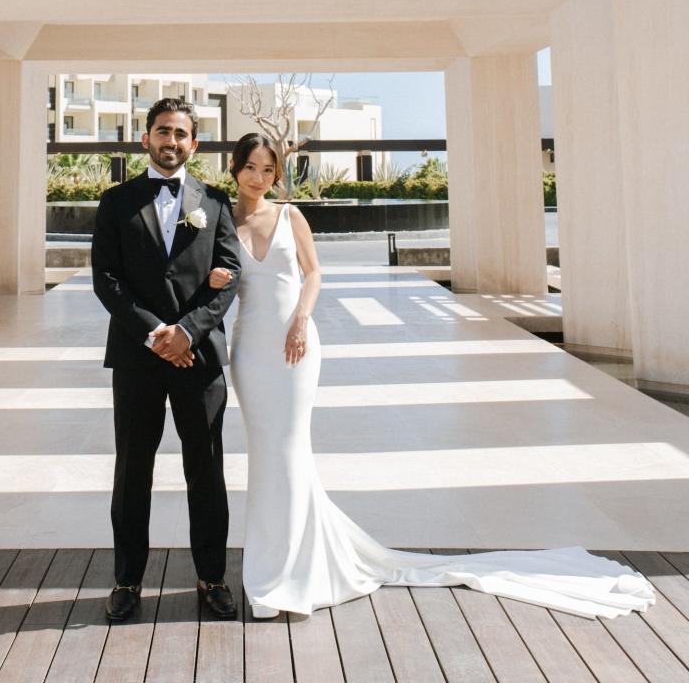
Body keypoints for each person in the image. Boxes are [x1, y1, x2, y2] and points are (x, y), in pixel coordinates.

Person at [208, 132, 655, 620]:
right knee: (266, 455)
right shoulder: (220, 221)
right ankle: (275, 568)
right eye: (251, 167)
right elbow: (209, 278)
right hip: (250, 349)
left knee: (292, 451)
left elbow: (314, 274)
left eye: (268, 170)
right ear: (235, 169)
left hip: (296, 347)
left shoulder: (291, 216)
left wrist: (301, 318)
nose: (259, 177)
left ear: (277, 174)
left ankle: (290, 577)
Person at [91, 98, 242, 622]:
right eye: (162, 131)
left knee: (206, 471)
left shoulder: (217, 203)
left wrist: (187, 333)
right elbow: (105, 280)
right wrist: (156, 332)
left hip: (199, 363)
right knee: (133, 471)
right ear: (145, 139)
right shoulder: (115, 203)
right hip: (137, 358)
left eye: (180, 133)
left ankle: (212, 577)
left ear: (193, 143)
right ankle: (127, 581)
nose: (170, 141)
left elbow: (229, 277)